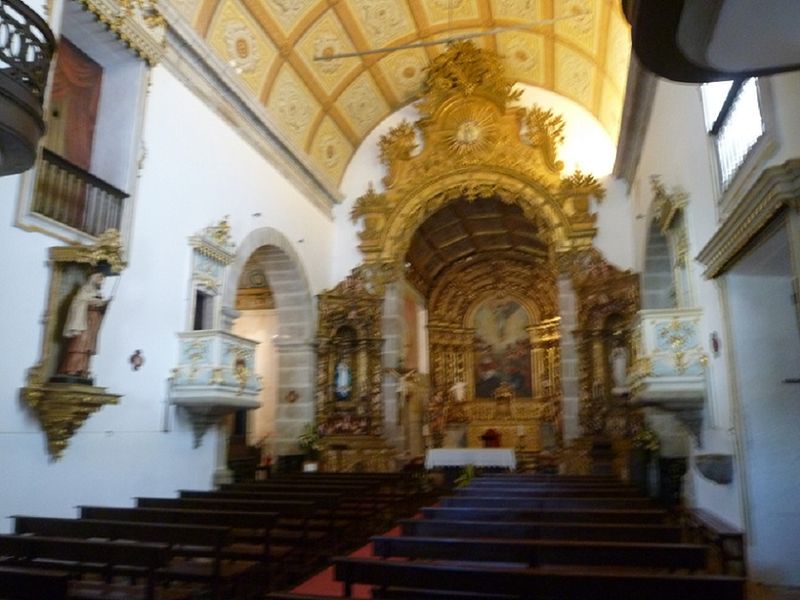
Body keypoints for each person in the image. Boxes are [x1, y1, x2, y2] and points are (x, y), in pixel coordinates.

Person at [57, 272, 111, 380]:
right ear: (94, 278)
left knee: (87, 348)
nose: (102, 282)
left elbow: (100, 307)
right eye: (100, 278)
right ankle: (71, 369)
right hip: (84, 321)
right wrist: (94, 302)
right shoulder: (86, 289)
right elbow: (79, 302)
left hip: (93, 323)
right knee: (79, 345)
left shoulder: (97, 292)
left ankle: (83, 370)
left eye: (103, 279)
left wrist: (105, 304)